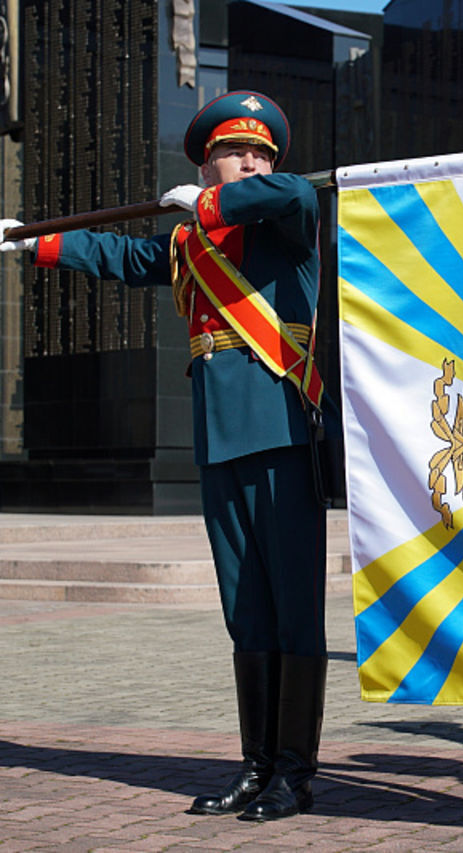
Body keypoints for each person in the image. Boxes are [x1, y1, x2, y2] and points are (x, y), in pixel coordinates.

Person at [0, 91, 331, 822]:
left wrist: (217, 204)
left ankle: (295, 775)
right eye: (234, 153)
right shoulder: (189, 246)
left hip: (279, 431)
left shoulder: (284, 223)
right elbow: (121, 254)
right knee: (247, 611)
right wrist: (35, 240)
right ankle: (256, 765)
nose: (251, 163)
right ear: (206, 161)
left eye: (259, 154)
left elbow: (298, 189)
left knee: (295, 611)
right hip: (220, 438)